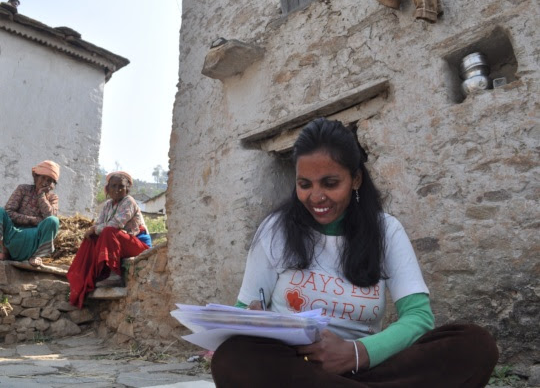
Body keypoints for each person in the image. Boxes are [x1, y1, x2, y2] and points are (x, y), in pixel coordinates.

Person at [211, 118, 498, 387]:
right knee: (233, 357)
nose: (316, 196)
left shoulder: (386, 231)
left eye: (330, 183)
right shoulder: (276, 229)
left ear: (356, 179)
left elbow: (418, 318)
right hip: (296, 367)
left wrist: (356, 353)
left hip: (368, 366)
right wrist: (246, 323)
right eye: (304, 184)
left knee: (474, 345)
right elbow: (243, 308)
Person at [67, 171, 151, 308]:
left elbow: (115, 224)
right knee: (91, 238)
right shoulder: (107, 205)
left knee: (107, 231)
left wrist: (95, 229)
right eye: (113, 186)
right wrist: (94, 230)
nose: (117, 190)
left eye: (121, 187)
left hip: (139, 245)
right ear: (108, 188)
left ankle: (114, 275)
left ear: (127, 189)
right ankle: (91, 274)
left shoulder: (129, 201)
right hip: (119, 242)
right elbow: (98, 224)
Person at [0, 160, 61, 267]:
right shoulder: (23, 189)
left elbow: (50, 218)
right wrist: (34, 220)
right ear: (35, 177)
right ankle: (3, 250)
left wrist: (41, 195)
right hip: (13, 234)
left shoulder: (52, 198)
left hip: (34, 240)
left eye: (50, 180)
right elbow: (8, 212)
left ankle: (38, 256)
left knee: (53, 220)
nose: (45, 182)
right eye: (42, 177)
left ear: (52, 184)